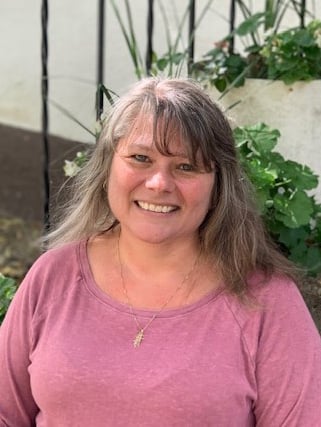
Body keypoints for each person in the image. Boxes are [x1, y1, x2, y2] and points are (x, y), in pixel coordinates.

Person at [0, 77, 320, 426]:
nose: (159, 183)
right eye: (140, 158)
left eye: (185, 166)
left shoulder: (266, 302)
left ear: (219, 183)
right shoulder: (54, 276)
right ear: (108, 167)